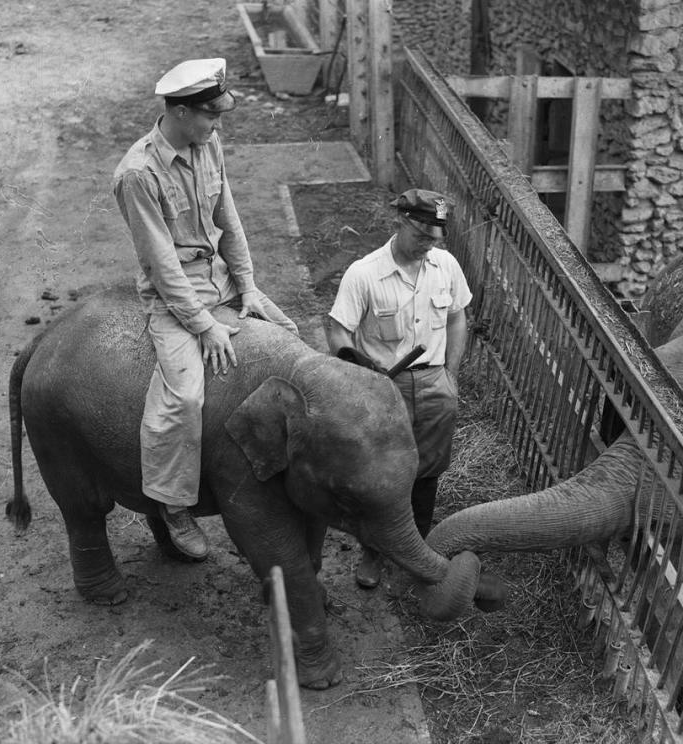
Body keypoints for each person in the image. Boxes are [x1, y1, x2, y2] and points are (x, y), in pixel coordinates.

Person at [113, 58, 298, 560]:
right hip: (175, 298)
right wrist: (204, 325)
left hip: (222, 280)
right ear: (177, 111)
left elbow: (228, 219)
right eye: (210, 115)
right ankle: (174, 506)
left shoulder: (207, 144)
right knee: (184, 399)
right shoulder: (137, 174)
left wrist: (250, 288)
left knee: (292, 333)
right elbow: (161, 265)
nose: (218, 124)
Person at [327, 188, 472, 588]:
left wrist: (451, 374)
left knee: (426, 473)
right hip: (384, 387)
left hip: (434, 384)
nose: (429, 245)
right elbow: (340, 329)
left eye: (436, 239)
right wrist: (354, 373)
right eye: (422, 236)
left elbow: (458, 317)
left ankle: (417, 552)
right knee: (382, 474)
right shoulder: (365, 273)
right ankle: (373, 553)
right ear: (401, 223)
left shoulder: (445, 266)